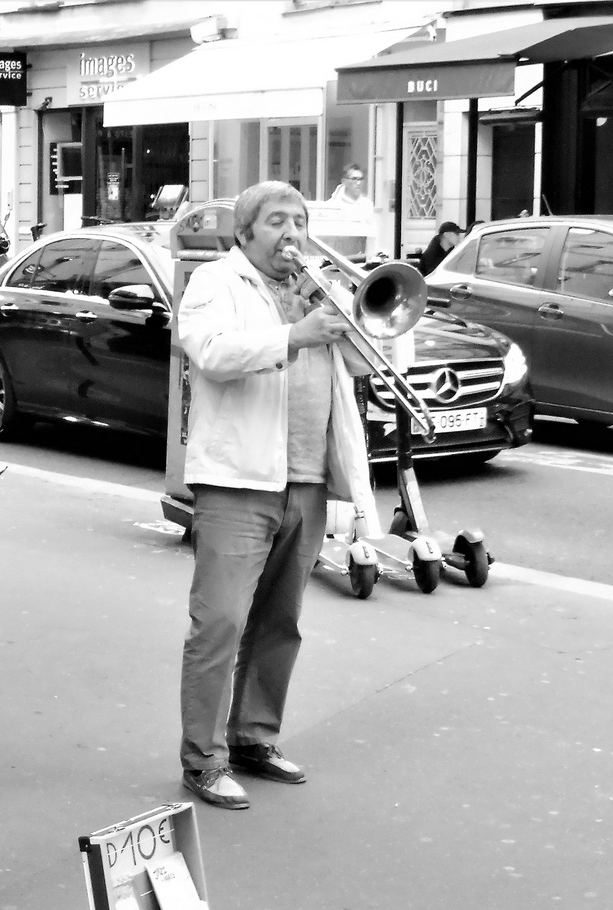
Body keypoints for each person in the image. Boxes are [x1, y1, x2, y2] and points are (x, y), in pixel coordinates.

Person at [175, 181, 379, 810]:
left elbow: (372, 363)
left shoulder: (322, 288)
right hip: (238, 479)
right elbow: (210, 353)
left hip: (309, 479)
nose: (291, 233)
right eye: (276, 222)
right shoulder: (216, 282)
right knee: (221, 622)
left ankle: (253, 738)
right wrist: (296, 335)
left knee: (280, 623)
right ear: (244, 233)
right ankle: (202, 760)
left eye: (300, 221)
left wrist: (351, 316)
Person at [329, 162, 377, 256]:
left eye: (361, 179)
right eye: (354, 179)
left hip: (361, 255)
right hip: (340, 255)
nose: (358, 183)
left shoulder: (366, 205)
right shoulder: (334, 205)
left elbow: (373, 235)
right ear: (344, 181)